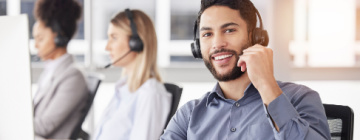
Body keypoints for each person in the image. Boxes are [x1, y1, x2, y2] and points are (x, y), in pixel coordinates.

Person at [161, 0, 331, 139]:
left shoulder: (300, 98)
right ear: (198, 47)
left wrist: (266, 84)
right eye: (207, 34)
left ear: (255, 37)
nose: (217, 43)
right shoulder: (189, 114)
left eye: (229, 30)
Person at [93, 9, 172, 140]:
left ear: (136, 43)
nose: (107, 47)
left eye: (114, 38)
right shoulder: (124, 89)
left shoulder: (150, 94)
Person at [32, 0, 89, 139]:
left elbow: (44, 127)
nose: (36, 46)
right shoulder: (50, 71)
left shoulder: (73, 77)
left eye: (40, 39)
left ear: (59, 37)